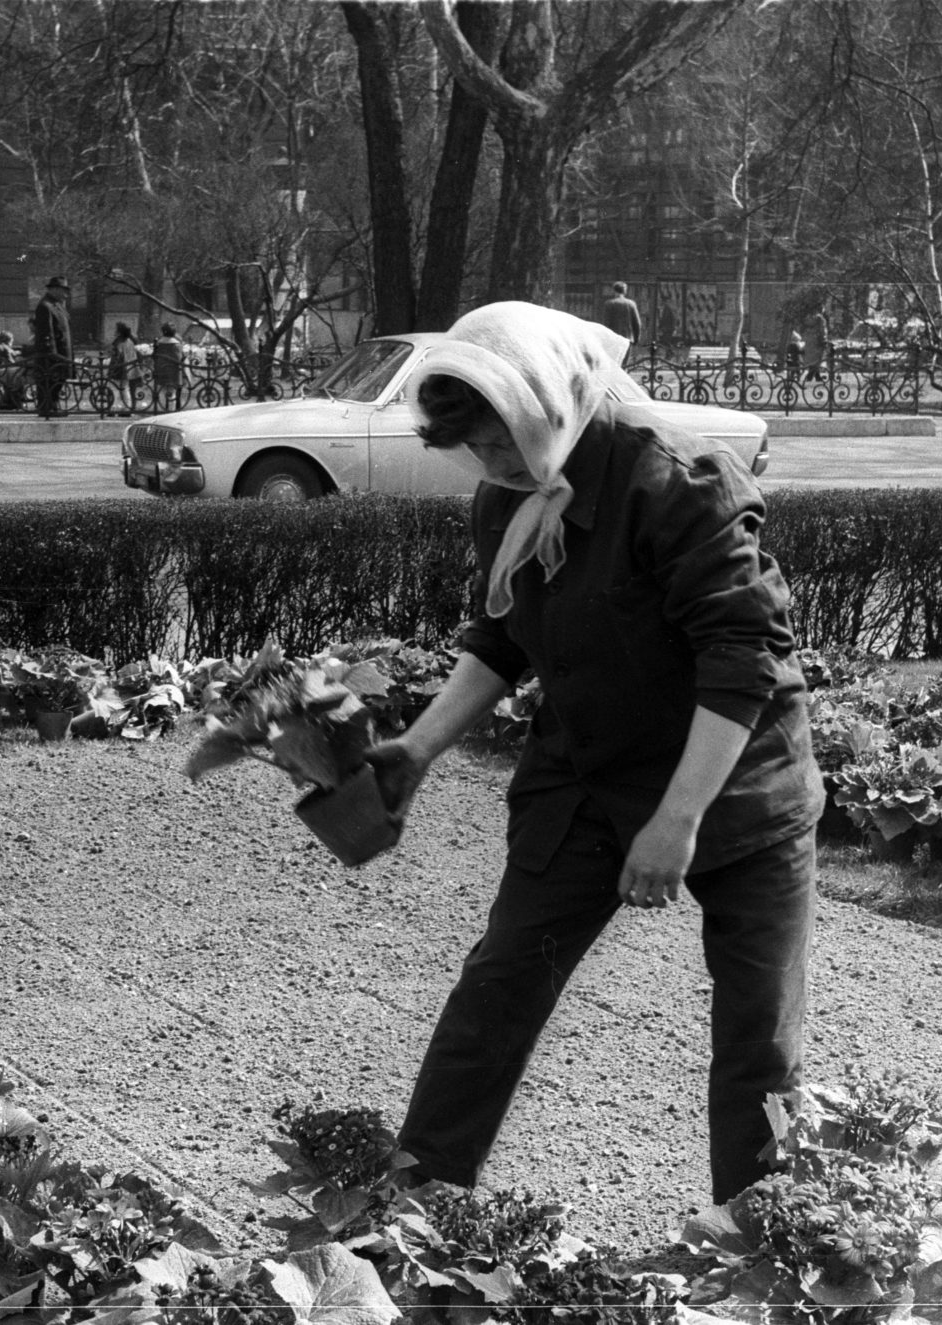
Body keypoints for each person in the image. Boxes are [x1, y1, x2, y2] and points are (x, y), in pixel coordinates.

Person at [365, 301, 822, 1206]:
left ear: (547, 400)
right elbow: (504, 637)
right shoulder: (511, 497)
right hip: (587, 778)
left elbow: (743, 658)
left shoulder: (678, 482)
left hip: (736, 785)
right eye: (474, 449)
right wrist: (416, 749)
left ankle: (763, 1240)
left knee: (758, 1036)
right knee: (499, 987)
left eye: (500, 438)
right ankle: (415, 1207)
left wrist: (676, 821)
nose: (492, 463)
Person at [30, 276, 73, 417]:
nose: (66, 294)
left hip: (63, 352)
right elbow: (46, 332)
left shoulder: (58, 305)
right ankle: (47, 408)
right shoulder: (45, 306)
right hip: (53, 355)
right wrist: (52, 353)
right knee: (50, 381)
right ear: (54, 289)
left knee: (58, 381)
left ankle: (53, 406)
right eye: (63, 290)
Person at [597, 281, 643, 359]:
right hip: (627, 339)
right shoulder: (631, 304)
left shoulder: (609, 304)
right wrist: (636, 339)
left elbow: (606, 323)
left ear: (614, 291)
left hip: (613, 339)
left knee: (613, 362)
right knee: (625, 362)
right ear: (625, 291)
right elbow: (637, 323)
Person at [108, 322, 145, 416]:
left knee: (115, 388)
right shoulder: (129, 341)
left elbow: (117, 356)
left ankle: (113, 408)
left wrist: (112, 368)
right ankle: (126, 408)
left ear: (119, 332)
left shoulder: (119, 342)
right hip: (129, 368)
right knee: (125, 388)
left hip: (120, 369)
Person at [151, 322, 186, 413]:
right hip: (173, 371)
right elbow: (180, 358)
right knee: (172, 393)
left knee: (162, 392)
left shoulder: (159, 344)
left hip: (161, 370)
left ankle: (162, 410)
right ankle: (171, 411)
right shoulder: (176, 344)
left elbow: (154, 356)